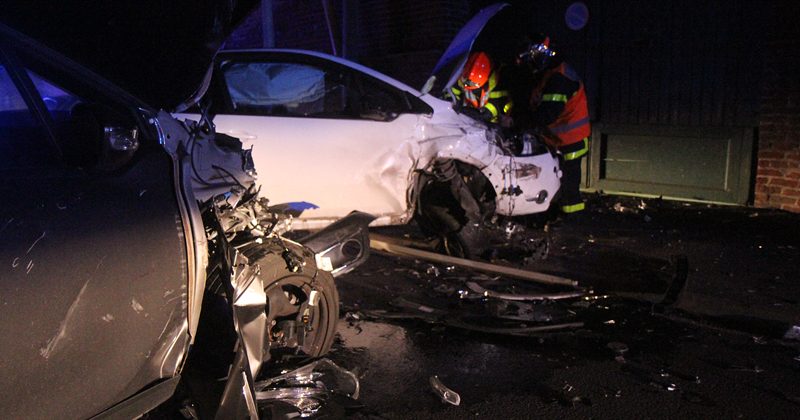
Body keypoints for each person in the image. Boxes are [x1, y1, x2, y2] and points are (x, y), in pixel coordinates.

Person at [511, 33, 591, 216]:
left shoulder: (559, 79)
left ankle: (571, 218)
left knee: (568, 184)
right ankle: (556, 214)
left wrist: (520, 123)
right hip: (558, 138)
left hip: (570, 140)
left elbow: (547, 114)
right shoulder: (551, 74)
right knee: (556, 180)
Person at [449, 51, 512, 125]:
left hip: (487, 126)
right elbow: (452, 92)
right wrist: (451, 101)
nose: (467, 84)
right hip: (463, 119)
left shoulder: (498, 89)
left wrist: (462, 110)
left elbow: (485, 115)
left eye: (472, 84)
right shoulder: (465, 77)